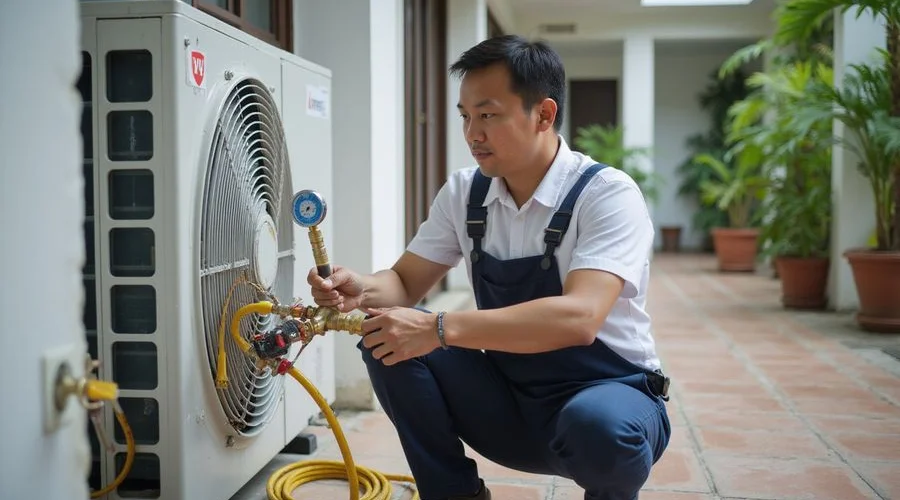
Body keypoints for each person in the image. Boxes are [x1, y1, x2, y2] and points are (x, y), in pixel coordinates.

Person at [307, 34, 671, 500]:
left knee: (598, 428)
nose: (472, 134)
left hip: (610, 398)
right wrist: (358, 287)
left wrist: (439, 328)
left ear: (543, 114)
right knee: (386, 337)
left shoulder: (606, 194)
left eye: (488, 115)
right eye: (465, 116)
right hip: (511, 405)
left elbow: (580, 317)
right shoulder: (465, 193)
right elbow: (403, 282)